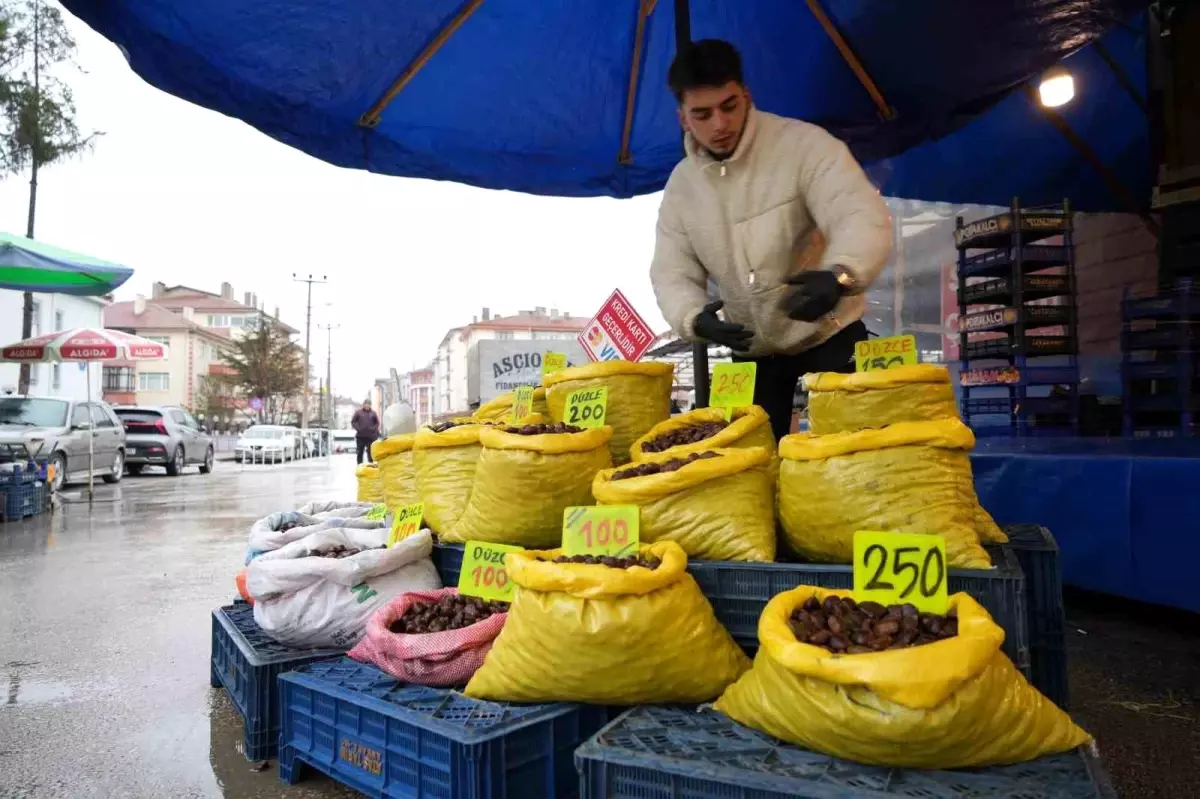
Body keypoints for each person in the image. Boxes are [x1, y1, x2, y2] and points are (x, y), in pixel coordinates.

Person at [650, 39, 893, 441]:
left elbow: (857, 211)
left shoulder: (806, 146)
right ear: (682, 119)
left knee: (858, 454)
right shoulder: (681, 188)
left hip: (829, 332)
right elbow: (670, 270)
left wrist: (842, 275)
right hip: (752, 350)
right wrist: (693, 317)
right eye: (702, 114)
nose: (719, 124)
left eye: (729, 106)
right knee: (747, 468)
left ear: (747, 95)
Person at [350, 400, 380, 464]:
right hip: (361, 436)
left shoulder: (373, 413)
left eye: (368, 404)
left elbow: (377, 423)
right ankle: (359, 466)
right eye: (366, 404)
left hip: (370, 437)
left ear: (370, 405)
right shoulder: (358, 413)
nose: (367, 405)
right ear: (363, 405)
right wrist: (358, 428)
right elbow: (353, 422)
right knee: (359, 452)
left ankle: (371, 466)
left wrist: (373, 429)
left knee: (370, 452)